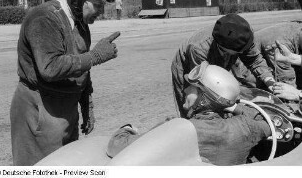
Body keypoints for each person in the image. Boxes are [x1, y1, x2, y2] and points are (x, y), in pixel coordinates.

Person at [10, 0, 120, 166]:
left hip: (65, 112)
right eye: (98, 5)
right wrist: (95, 56)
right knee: (42, 169)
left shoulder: (80, 23)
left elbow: (80, 65)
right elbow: (50, 67)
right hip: (40, 112)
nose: (102, 12)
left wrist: (87, 103)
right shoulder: (44, 18)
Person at [106, 62, 271, 165]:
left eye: (192, 87)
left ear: (203, 97)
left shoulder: (179, 129)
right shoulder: (246, 127)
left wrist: (126, 129)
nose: (185, 90)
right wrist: (233, 107)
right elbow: (269, 120)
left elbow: (116, 147)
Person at [171, 13, 275, 117]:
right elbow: (204, 86)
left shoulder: (243, 35)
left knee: (226, 102)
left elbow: (254, 59)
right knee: (193, 104)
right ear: (224, 48)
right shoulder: (199, 48)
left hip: (220, 55)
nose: (243, 53)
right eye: (239, 51)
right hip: (191, 69)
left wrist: (270, 81)